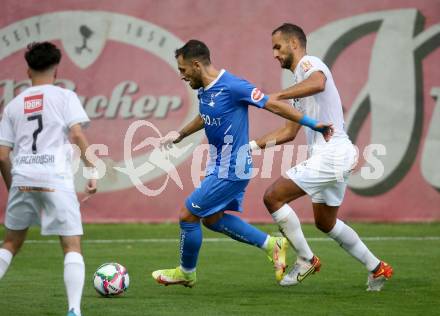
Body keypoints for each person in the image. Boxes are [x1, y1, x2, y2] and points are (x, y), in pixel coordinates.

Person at [151, 39, 333, 287]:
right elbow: (206, 115)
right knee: (212, 219)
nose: (181, 76)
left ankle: (186, 272)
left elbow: (273, 105)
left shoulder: (233, 86)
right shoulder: (204, 89)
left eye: (183, 70)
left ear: (196, 65)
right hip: (218, 164)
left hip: (233, 168)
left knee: (188, 215)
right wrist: (180, 134)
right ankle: (271, 244)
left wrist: (313, 124)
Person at [249, 23, 392, 291]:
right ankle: (377, 268)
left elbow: (318, 82)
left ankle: (306, 259)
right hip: (337, 155)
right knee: (325, 222)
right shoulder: (298, 85)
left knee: (273, 196)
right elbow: (289, 131)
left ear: (294, 43)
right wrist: (252, 146)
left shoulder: (309, 64)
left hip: (333, 154)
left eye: (277, 47)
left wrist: (277, 95)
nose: (275, 54)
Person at [0, 42, 97, 316]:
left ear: (27, 69)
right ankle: (74, 310)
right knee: (71, 244)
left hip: (22, 178)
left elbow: (2, 155)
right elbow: (77, 135)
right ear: (56, 69)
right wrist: (92, 171)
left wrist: (14, 186)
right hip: (55, 178)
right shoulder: (65, 97)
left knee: (10, 243)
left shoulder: (13, 106)